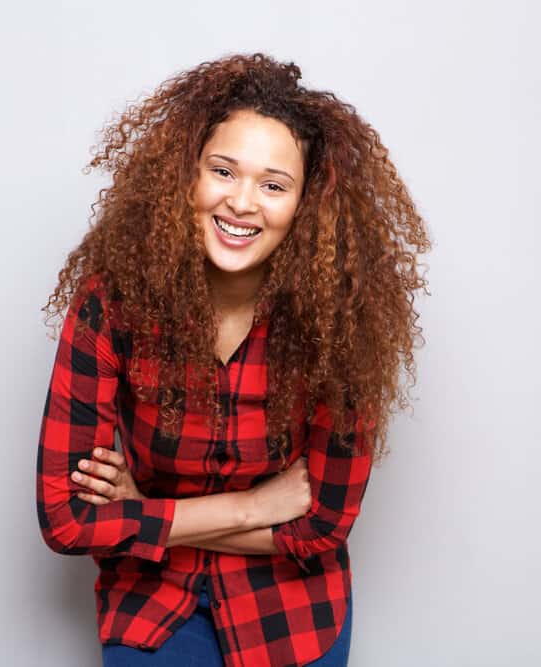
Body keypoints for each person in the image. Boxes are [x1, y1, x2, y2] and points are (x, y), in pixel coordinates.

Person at [37, 52, 429, 667]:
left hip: (293, 616)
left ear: (306, 206)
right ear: (184, 176)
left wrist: (143, 515)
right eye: (223, 171)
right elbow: (66, 520)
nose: (242, 203)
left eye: (274, 185)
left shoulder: (340, 323)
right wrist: (252, 507)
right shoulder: (109, 305)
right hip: (150, 608)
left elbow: (322, 525)